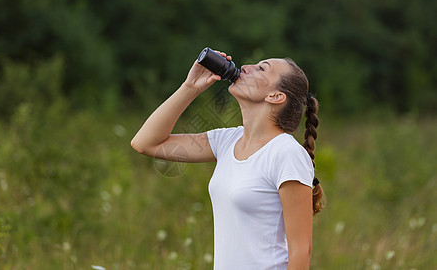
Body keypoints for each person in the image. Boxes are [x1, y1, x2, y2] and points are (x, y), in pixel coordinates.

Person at [131, 50, 325, 270]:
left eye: (261, 68)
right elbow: (146, 143)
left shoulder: (286, 153)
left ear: (276, 96)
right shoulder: (226, 140)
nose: (246, 67)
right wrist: (190, 87)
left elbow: (301, 251)